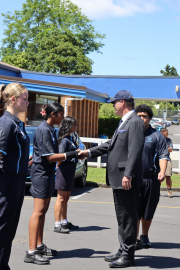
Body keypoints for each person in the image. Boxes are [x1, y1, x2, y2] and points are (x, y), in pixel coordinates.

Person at [79, 90, 145, 268]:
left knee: (129, 217)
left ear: (123, 102)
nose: (113, 105)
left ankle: (128, 255)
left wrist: (128, 174)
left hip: (126, 178)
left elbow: (135, 151)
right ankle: (123, 249)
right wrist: (89, 152)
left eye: (114, 102)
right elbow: (111, 144)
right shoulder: (124, 121)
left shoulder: (135, 122)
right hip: (118, 178)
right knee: (122, 217)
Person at [25, 103, 79, 265]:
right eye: (61, 114)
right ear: (54, 114)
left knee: (43, 212)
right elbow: (50, 157)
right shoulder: (43, 130)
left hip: (47, 174)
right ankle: (31, 251)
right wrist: (72, 153)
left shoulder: (50, 130)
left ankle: (39, 245)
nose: (63, 118)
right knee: (38, 212)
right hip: (41, 175)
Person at [0, 83, 30, 270]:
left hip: (17, 180)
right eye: (25, 98)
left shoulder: (18, 123)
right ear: (13, 99)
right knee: (3, 227)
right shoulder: (6, 122)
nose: (28, 102)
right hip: (7, 182)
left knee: (9, 228)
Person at [135, 105, 168, 250]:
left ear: (150, 118)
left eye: (145, 116)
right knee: (134, 210)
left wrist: (162, 170)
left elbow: (163, 155)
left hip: (151, 178)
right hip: (134, 178)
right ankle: (134, 239)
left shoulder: (157, 136)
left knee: (148, 210)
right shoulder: (130, 133)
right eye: (139, 115)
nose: (142, 118)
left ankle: (144, 235)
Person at [54, 116, 79, 233]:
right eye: (73, 125)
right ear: (68, 126)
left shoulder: (71, 138)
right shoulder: (64, 140)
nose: (75, 127)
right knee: (61, 198)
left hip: (70, 170)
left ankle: (64, 221)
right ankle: (57, 224)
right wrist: (57, 167)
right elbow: (61, 156)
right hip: (64, 170)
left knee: (66, 198)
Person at [160, 128, 173, 198]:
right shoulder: (157, 139)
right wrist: (166, 148)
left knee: (168, 175)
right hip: (158, 159)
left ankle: (169, 190)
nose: (167, 134)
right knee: (158, 175)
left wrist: (163, 148)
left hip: (167, 159)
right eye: (166, 133)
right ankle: (157, 190)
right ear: (162, 133)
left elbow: (170, 149)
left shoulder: (169, 140)